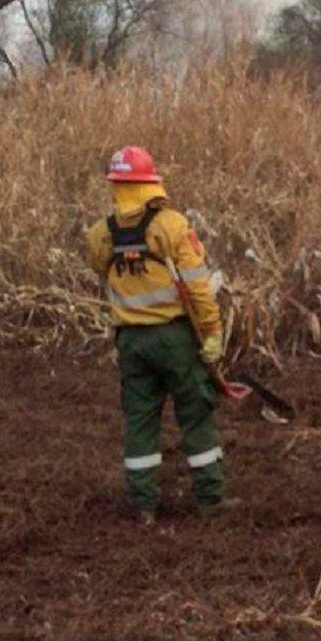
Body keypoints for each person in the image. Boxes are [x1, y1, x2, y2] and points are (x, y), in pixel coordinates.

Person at [85, 145, 233, 521]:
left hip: (130, 342)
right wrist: (213, 333)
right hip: (174, 338)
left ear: (115, 185)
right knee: (196, 413)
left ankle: (143, 506)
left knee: (140, 421)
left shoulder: (100, 235)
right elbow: (198, 287)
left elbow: (103, 270)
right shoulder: (172, 226)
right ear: (151, 182)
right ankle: (211, 499)